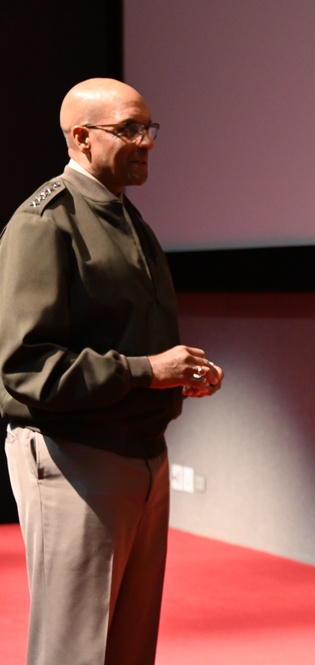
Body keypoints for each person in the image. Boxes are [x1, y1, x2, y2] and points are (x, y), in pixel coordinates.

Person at [0, 78, 224, 665]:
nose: (147, 141)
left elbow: (123, 339)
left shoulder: (126, 216)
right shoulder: (45, 221)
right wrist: (147, 370)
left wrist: (178, 374)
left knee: (128, 647)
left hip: (140, 451)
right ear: (81, 137)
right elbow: (28, 369)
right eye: (129, 129)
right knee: (73, 650)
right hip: (76, 454)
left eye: (149, 128)